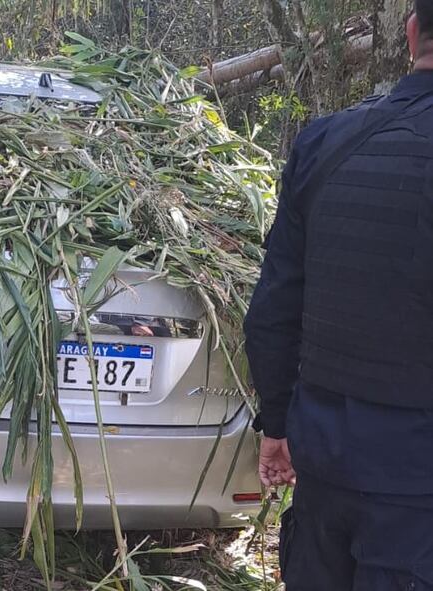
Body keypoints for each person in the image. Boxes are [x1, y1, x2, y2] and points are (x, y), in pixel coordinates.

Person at [244, 3, 433, 589]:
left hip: (324, 460)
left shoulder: (327, 142)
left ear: (409, 35)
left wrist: (277, 427)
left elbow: (273, 308)